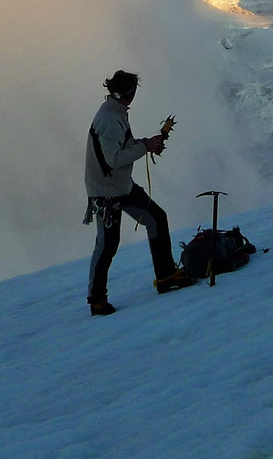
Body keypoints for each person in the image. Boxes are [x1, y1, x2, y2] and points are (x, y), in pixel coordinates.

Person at [83, 70, 195, 315]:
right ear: (129, 93)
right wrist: (145, 146)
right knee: (108, 245)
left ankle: (166, 276)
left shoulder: (114, 112)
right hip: (107, 192)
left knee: (155, 219)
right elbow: (114, 158)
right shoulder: (111, 119)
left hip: (117, 186)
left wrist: (146, 143)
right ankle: (97, 300)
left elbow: (118, 150)